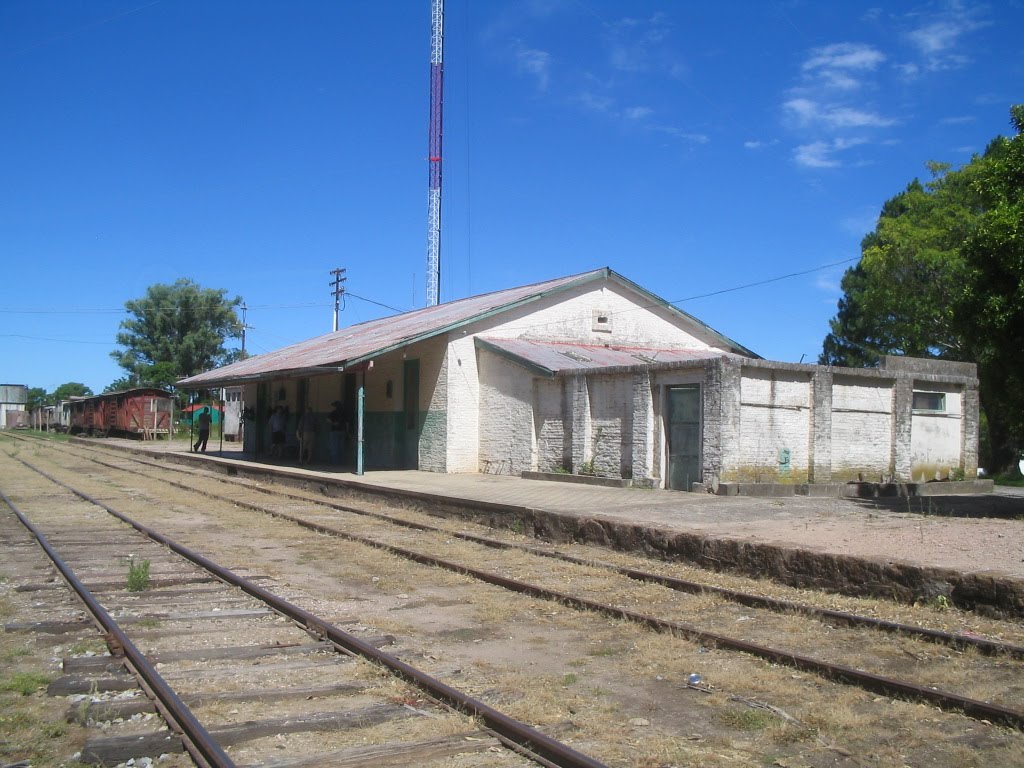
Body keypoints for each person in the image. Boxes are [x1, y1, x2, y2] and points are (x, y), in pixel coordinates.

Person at [327, 400, 348, 465]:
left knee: (334, 447)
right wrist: (347, 431)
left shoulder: (333, 413)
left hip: (334, 431)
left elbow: (327, 420)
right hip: (342, 431)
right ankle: (341, 462)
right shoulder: (344, 413)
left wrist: (333, 423)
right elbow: (347, 423)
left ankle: (335, 462)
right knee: (341, 448)